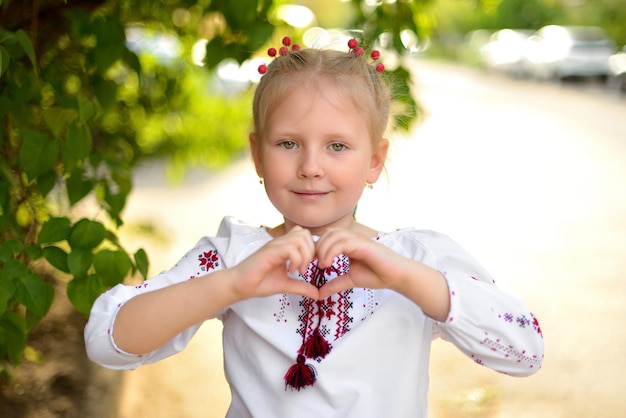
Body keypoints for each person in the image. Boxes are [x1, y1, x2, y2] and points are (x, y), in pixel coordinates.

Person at [85, 37, 544, 417]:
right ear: (257, 155)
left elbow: (525, 350)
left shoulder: (417, 259)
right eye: (288, 143)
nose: (310, 166)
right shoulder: (232, 255)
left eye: (337, 146)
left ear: (375, 161)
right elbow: (108, 342)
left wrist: (407, 278)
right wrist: (228, 286)